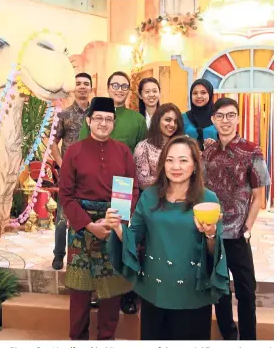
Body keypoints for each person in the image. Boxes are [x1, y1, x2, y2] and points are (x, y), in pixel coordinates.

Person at [105, 135, 230, 340]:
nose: (176, 166)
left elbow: (214, 252)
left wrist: (210, 234)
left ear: (195, 165)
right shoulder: (150, 196)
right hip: (155, 290)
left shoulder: (207, 199)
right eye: (170, 160)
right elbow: (134, 237)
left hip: (193, 293)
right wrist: (118, 228)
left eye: (183, 160)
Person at [59, 96, 139, 340]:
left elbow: (131, 189)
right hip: (82, 226)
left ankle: (107, 338)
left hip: (113, 222)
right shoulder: (74, 151)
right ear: (89, 120)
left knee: (111, 290)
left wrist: (115, 221)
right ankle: (77, 339)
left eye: (109, 119)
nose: (103, 123)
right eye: (99, 119)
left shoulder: (123, 152)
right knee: (80, 292)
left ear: (114, 123)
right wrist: (90, 225)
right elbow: (66, 195)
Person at [203, 97, 271, 340]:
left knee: (246, 291)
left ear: (239, 118)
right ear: (213, 119)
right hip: (212, 234)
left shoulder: (252, 150)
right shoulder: (207, 151)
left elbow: (259, 194)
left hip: (238, 233)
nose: (225, 120)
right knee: (219, 289)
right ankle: (229, 336)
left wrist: (248, 227)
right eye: (220, 116)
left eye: (231, 115)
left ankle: (249, 339)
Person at [51, 72, 92, 270]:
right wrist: (61, 163)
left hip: (92, 174)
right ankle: (59, 254)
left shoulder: (97, 114)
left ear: (91, 87)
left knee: (88, 214)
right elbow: (52, 142)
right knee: (62, 216)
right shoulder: (64, 114)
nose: (82, 86)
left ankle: (83, 254)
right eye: (79, 83)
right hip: (69, 174)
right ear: (74, 88)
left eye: (86, 83)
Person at [79, 71, 147, 153]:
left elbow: (142, 155)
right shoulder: (93, 116)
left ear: (128, 90)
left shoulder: (138, 119)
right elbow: (81, 148)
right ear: (108, 88)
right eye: (115, 86)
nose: (120, 90)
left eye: (124, 86)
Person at [134, 103, 184, 190]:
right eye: (168, 120)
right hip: (153, 198)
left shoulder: (182, 146)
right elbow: (142, 182)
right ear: (158, 120)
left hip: (182, 197)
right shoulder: (143, 147)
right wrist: (172, 180)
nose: (172, 124)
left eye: (176, 121)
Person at [183, 79, 218, 151]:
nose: (199, 96)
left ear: (210, 94)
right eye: (195, 93)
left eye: (203, 92)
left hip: (215, 160)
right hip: (188, 160)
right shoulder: (183, 118)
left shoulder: (219, 117)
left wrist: (216, 144)